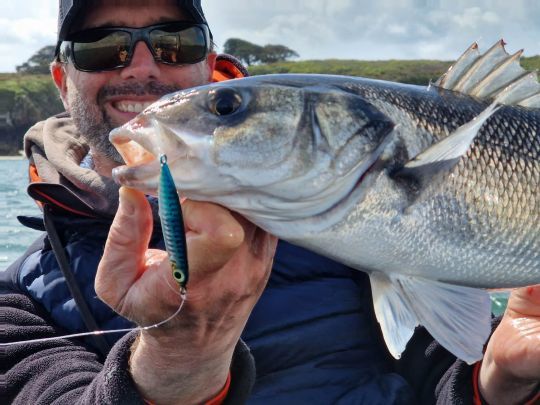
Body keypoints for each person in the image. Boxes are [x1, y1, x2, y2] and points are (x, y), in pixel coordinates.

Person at [1, 0, 539, 404]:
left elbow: (441, 367)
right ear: (60, 80)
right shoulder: (18, 299)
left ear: (206, 62)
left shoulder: (325, 218)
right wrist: (181, 353)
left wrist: (503, 378)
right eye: (102, 46)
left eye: (175, 43)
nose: (142, 68)